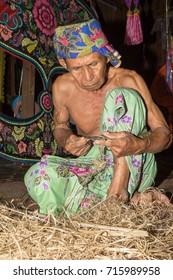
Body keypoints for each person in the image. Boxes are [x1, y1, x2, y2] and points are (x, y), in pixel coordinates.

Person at [24, 19, 172, 217]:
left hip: (135, 162)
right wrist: (66, 139)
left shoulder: (128, 79)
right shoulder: (62, 87)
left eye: (93, 64)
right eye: (77, 68)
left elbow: (165, 135)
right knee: (37, 176)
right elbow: (60, 126)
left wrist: (138, 145)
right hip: (93, 166)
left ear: (106, 57)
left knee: (120, 96)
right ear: (64, 64)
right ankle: (130, 200)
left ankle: (118, 193)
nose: (88, 77)